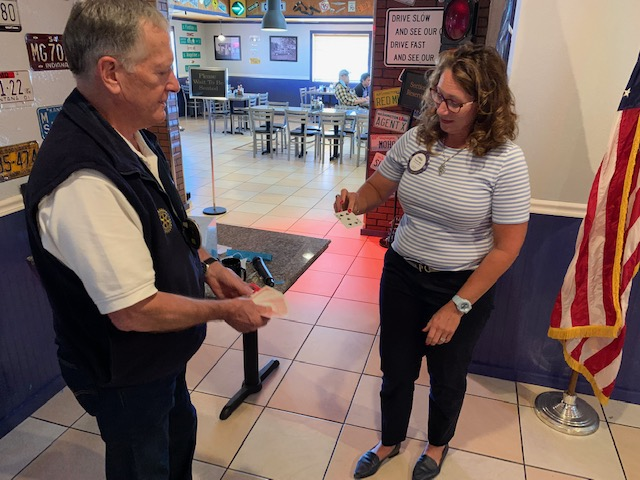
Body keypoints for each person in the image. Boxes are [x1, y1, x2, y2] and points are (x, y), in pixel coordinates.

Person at [23, 1, 272, 479]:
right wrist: (224, 310)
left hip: (159, 358)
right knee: (144, 463)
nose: (175, 84)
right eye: (161, 72)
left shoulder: (132, 138)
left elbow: (170, 224)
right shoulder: (84, 181)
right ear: (111, 73)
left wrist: (208, 267)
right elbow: (133, 310)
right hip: (124, 373)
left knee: (178, 440)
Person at [334, 43, 530, 480]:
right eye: (438, 95)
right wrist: (354, 202)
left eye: (454, 102)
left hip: (460, 286)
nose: (441, 109)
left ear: (485, 104)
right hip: (402, 273)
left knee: (447, 376)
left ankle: (437, 446)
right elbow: (377, 189)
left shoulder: (505, 161)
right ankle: (389, 441)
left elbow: (507, 248)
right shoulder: (416, 139)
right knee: (396, 368)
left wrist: (456, 307)